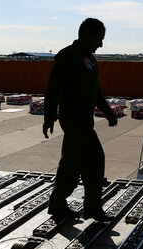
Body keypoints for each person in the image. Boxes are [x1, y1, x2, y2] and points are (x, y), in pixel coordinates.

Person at [42, 18, 117, 221]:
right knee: (95, 159)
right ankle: (92, 208)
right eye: (99, 39)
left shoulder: (90, 59)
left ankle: (57, 203)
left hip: (85, 120)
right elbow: (53, 89)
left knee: (71, 163)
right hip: (73, 119)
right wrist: (49, 116)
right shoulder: (67, 56)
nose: (100, 44)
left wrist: (108, 111)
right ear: (86, 35)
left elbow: (96, 91)